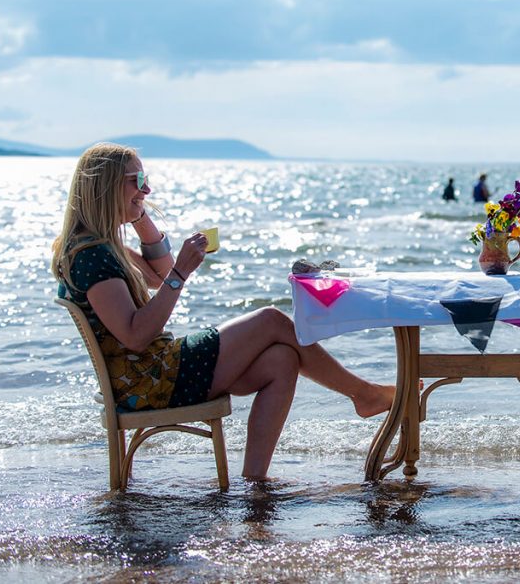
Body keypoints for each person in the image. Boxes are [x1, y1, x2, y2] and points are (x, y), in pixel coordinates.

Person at [51, 143, 394, 481]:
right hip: (152, 380)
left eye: (145, 179)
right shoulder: (92, 256)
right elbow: (137, 336)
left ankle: (254, 481)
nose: (147, 188)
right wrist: (181, 274)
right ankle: (363, 394)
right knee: (272, 320)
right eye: (136, 180)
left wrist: (140, 217)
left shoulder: (101, 245)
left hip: (155, 375)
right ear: (105, 185)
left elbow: (157, 274)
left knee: (281, 360)